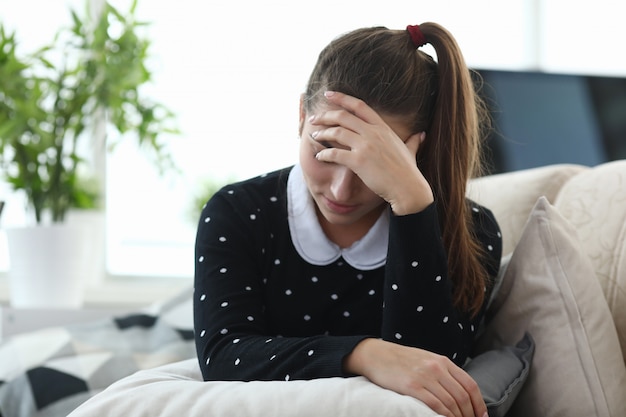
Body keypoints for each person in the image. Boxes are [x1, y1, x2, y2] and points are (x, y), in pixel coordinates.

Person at [193, 22, 502, 417]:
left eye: (370, 163)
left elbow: (433, 376)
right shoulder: (238, 210)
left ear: (414, 152)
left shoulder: (471, 232)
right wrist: (363, 354)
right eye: (326, 148)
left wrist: (411, 203)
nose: (340, 191)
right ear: (302, 113)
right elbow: (224, 355)